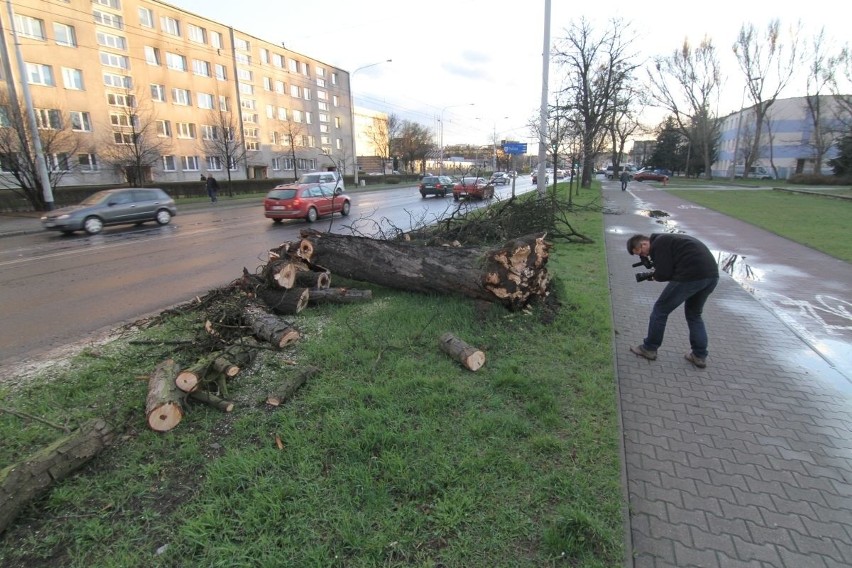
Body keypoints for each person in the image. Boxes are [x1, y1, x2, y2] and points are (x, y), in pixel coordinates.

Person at [626, 233, 719, 368]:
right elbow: (671, 268)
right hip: (711, 277)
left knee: (660, 310)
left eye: (640, 253)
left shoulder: (659, 243)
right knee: (694, 315)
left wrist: (655, 276)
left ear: (644, 244)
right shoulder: (670, 240)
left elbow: (664, 273)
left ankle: (649, 348)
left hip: (690, 276)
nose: (644, 256)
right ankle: (699, 356)